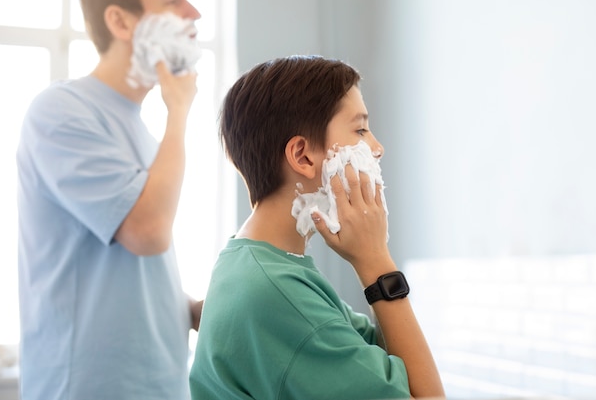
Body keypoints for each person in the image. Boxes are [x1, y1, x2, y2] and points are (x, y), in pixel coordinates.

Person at [189, 55, 445, 399]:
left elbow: (389, 362)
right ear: (303, 156)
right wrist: (375, 262)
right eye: (360, 130)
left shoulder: (254, 263)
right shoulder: (275, 294)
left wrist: (371, 259)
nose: (378, 148)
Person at [16, 0, 204, 399]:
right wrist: (178, 111)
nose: (194, 13)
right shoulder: (62, 111)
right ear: (120, 21)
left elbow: (128, 268)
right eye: (173, 1)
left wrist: (187, 307)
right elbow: (148, 232)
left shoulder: (139, 129)